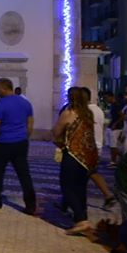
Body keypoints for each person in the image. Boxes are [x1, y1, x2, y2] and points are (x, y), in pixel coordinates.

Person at [0, 78, 37, 215]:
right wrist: (25, 136)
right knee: (24, 174)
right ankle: (30, 204)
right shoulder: (25, 103)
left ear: (5, 88)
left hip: (4, 143)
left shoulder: (2, 104)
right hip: (21, 142)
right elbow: (30, 123)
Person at [52, 87, 99, 235]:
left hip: (72, 155)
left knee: (67, 186)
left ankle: (80, 220)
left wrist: (59, 141)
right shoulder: (88, 114)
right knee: (80, 187)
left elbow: (56, 132)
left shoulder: (68, 113)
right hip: (87, 157)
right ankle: (82, 215)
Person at [80, 87, 116, 209]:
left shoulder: (84, 111)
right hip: (97, 145)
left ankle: (70, 202)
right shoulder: (98, 110)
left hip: (87, 147)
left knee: (80, 174)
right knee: (91, 172)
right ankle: (108, 195)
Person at [103, 91, 124, 167]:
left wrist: (115, 124)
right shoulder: (112, 105)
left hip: (116, 128)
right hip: (112, 126)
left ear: (111, 97)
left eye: (106, 98)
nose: (105, 100)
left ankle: (113, 161)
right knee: (110, 145)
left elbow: (122, 116)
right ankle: (121, 157)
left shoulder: (116, 105)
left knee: (113, 145)